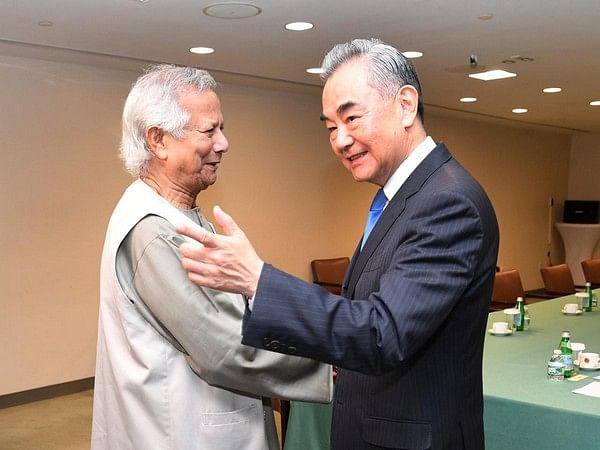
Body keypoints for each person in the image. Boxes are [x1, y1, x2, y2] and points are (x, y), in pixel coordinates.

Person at [177, 38, 499, 450]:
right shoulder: (404, 195)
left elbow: (383, 333)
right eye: (331, 127)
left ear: (405, 105)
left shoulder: (447, 202)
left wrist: (258, 280)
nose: (341, 140)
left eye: (352, 118)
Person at [92, 64, 332, 450]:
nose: (223, 143)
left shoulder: (179, 213)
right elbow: (223, 350)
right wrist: (329, 363)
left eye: (222, 128)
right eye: (209, 130)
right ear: (159, 140)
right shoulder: (153, 231)